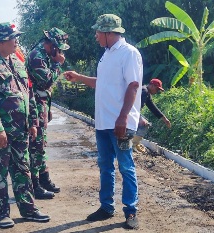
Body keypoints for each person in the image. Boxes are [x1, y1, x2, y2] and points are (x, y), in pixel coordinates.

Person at [63, 14, 142, 229]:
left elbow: (133, 86)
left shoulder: (129, 53)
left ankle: (131, 210)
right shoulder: (106, 55)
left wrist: (123, 117)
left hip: (120, 123)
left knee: (126, 166)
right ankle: (106, 207)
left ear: (109, 33)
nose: (96, 35)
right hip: (103, 123)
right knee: (105, 166)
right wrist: (79, 77)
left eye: (98, 32)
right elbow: (102, 83)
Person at [0, 22, 50, 229]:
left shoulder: (16, 62)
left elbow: (29, 94)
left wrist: (33, 122)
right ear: (0, 42)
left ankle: (28, 209)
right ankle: (0, 214)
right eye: (13, 37)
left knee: (22, 170)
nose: (17, 40)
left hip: (20, 129)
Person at [26, 27, 70, 199]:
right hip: (34, 106)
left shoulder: (45, 56)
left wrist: (48, 110)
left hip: (41, 105)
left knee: (41, 144)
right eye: (58, 47)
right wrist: (58, 63)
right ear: (50, 44)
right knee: (36, 145)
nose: (59, 51)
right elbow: (47, 81)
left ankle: (44, 179)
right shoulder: (37, 57)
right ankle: (35, 185)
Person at [133, 78, 171, 150]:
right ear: (152, 86)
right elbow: (134, 106)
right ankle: (133, 145)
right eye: (157, 89)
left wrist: (164, 118)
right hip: (131, 112)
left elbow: (152, 107)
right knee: (144, 124)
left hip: (132, 112)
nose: (157, 91)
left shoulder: (146, 93)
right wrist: (139, 119)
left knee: (144, 122)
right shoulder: (144, 91)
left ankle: (134, 142)